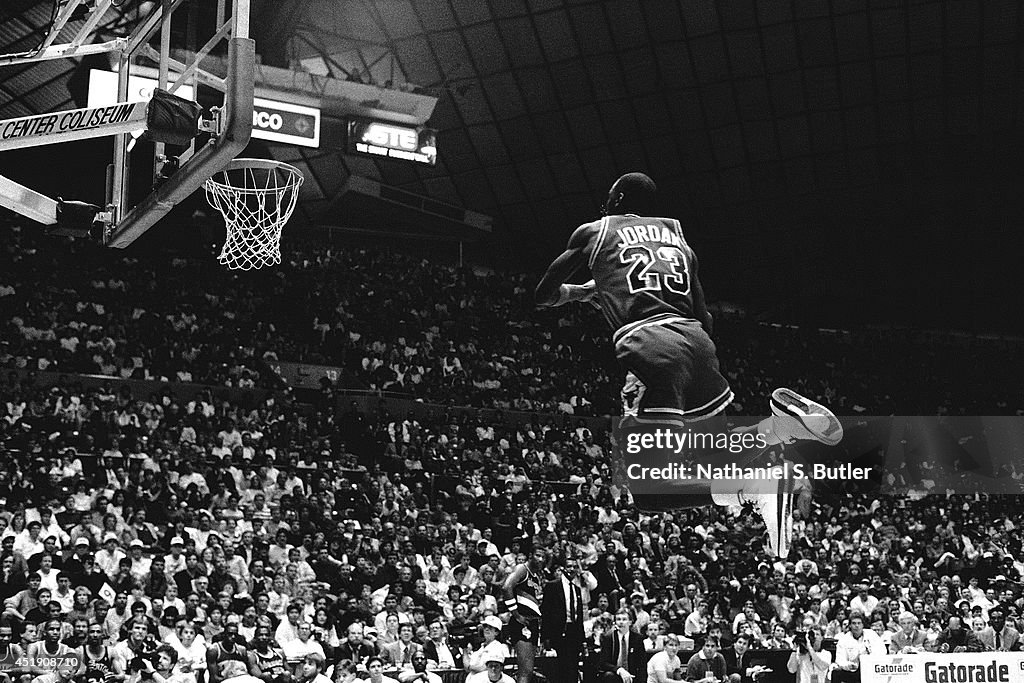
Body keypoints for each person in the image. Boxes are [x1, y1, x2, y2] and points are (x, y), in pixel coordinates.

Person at [535, 172, 843, 559]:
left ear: (618, 198)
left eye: (609, 193)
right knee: (711, 452)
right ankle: (777, 428)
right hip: (697, 342)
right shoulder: (681, 242)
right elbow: (707, 318)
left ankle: (756, 487)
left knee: (649, 491)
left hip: (650, 345)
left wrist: (578, 293)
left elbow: (542, 294)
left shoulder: (595, 231)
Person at [500, 546, 546, 683]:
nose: (541, 559)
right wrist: (516, 614)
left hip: (533, 623)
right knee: (525, 671)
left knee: (529, 671)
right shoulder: (522, 569)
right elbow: (506, 587)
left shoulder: (536, 576)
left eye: (543, 557)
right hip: (522, 622)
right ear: (530, 555)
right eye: (538, 555)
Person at [541, 558, 585, 683]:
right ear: (562, 568)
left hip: (574, 634)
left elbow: (579, 616)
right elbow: (546, 613)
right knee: (559, 670)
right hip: (558, 634)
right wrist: (546, 638)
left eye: (574, 567)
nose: (571, 569)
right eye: (569, 566)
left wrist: (582, 640)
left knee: (572, 669)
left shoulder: (576, 589)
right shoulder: (552, 586)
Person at [833, 614, 884, 683]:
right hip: (853, 670)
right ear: (850, 625)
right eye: (854, 623)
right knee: (836, 672)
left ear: (863, 625)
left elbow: (882, 650)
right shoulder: (843, 640)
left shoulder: (872, 635)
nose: (856, 626)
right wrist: (848, 665)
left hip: (871, 669)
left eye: (859, 623)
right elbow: (840, 659)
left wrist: (870, 659)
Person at [599, 609, 645, 683]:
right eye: (618, 619)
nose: (621, 622)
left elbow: (642, 664)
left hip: (632, 675)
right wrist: (619, 670)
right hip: (615, 674)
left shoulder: (637, 639)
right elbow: (603, 662)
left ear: (630, 622)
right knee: (608, 676)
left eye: (624, 619)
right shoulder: (609, 638)